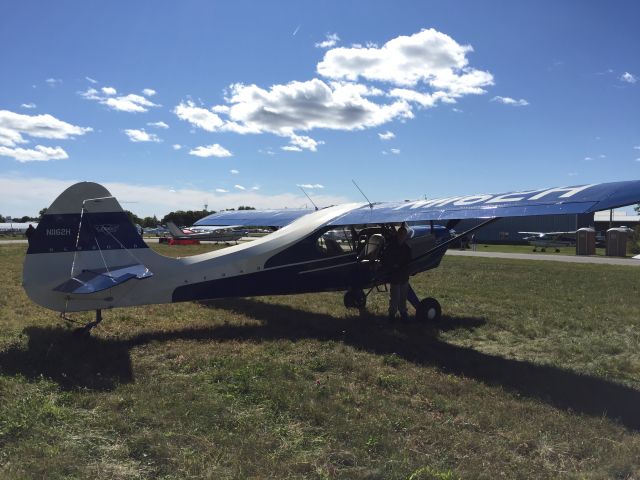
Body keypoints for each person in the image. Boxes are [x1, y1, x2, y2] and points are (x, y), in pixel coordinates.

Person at [384, 224, 412, 321]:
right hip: (395, 276)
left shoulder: (407, 248)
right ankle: (392, 314)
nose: (402, 236)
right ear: (398, 234)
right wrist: (394, 266)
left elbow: (408, 262)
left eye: (404, 234)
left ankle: (403, 312)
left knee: (403, 296)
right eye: (400, 234)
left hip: (404, 276)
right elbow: (387, 260)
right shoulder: (391, 247)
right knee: (395, 297)